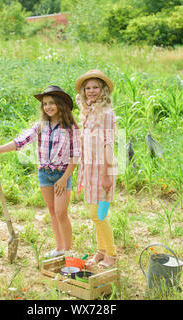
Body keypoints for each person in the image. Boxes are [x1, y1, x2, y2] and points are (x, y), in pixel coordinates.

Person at [0, 85, 80, 259]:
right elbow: (21, 141)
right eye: (44, 104)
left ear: (60, 104)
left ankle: (67, 251)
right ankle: (59, 248)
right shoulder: (41, 126)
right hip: (44, 174)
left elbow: (75, 156)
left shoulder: (70, 128)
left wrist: (64, 178)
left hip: (61, 175)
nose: (48, 107)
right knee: (51, 211)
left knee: (61, 213)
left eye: (51, 103)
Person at [75, 70, 118, 269]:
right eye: (88, 88)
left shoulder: (107, 113)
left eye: (95, 87)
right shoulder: (89, 111)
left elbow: (108, 144)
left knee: (98, 215)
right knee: (96, 214)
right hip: (90, 168)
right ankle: (101, 251)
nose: (91, 91)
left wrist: (107, 175)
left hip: (103, 169)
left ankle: (112, 254)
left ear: (103, 90)